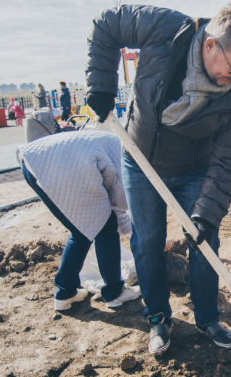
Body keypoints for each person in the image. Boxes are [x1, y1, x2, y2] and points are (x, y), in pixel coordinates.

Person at [85, 2, 231, 355]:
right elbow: (105, 25)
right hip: (141, 160)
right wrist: (101, 86)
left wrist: (206, 212)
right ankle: (157, 317)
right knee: (147, 240)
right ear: (210, 44)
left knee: (205, 238)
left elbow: (230, 157)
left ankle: (208, 317)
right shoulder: (165, 30)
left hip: (195, 167)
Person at [17, 130, 140, 312]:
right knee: (106, 229)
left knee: (81, 230)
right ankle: (115, 292)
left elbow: (117, 203)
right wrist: (144, 236)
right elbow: (119, 206)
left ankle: (65, 292)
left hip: (32, 163)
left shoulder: (118, 142)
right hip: (63, 167)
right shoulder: (128, 159)